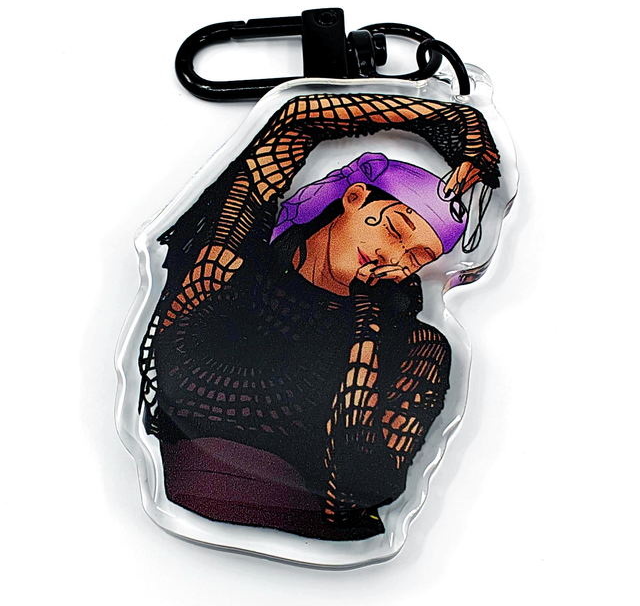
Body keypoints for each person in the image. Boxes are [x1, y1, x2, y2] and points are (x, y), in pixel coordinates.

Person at [138, 93, 500, 540]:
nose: (392, 256)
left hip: (327, 540)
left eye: (417, 257)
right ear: (355, 197)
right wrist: (444, 117)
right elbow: (294, 123)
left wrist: (369, 318)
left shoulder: (415, 347)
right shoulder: (232, 266)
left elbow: (364, 485)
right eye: (394, 229)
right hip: (172, 512)